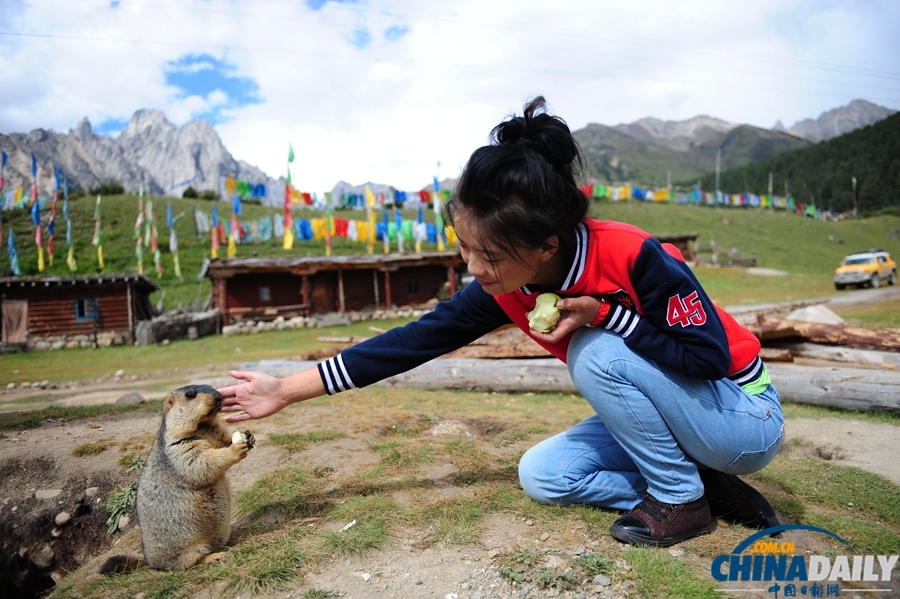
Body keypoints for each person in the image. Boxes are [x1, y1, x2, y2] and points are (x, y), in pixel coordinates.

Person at [218, 97, 784, 548]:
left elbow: (709, 359)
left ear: (546, 246)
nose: (473, 268)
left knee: (594, 349)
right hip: (683, 419)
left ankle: (680, 500)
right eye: (464, 247)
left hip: (741, 414)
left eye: (487, 256)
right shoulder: (505, 286)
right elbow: (409, 343)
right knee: (544, 474)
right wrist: (285, 391)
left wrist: (609, 314)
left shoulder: (634, 257)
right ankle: (700, 488)